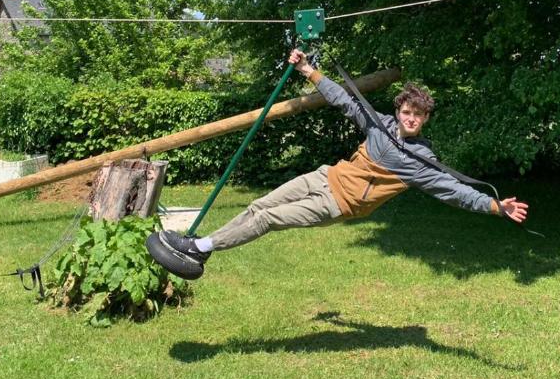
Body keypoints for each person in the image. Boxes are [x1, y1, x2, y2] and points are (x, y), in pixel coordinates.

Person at [150, 48, 529, 279]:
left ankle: (199, 247)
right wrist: (309, 71)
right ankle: (198, 244)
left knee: (267, 220)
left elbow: (454, 191)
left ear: (426, 119)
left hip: (340, 203)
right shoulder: (379, 124)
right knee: (259, 205)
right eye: (407, 111)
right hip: (325, 177)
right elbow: (345, 101)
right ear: (398, 110)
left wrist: (496, 206)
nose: (412, 118)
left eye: (419, 115)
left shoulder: (421, 160)